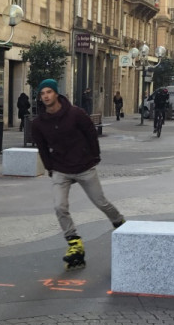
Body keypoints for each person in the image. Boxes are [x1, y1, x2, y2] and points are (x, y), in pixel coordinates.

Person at [31, 78, 125, 271]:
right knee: (59, 206)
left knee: (101, 202)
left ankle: (120, 223)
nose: (46, 96)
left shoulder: (75, 114)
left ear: (56, 93)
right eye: (42, 93)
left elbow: (91, 133)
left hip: (83, 166)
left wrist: (94, 156)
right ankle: (74, 243)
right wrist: (50, 167)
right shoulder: (39, 123)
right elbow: (41, 148)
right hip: (60, 169)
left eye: (49, 92)